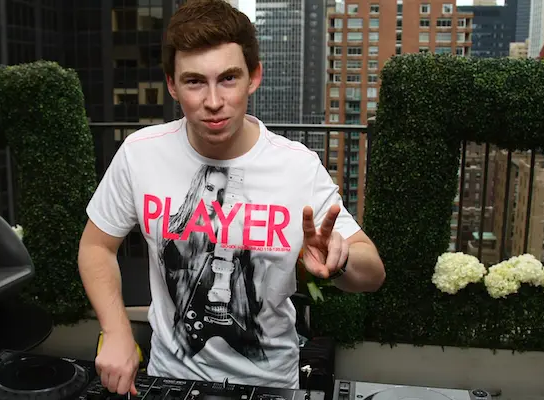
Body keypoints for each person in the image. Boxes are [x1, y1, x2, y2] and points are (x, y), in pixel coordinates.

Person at [77, 0, 385, 395]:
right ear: (172, 85)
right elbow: (96, 246)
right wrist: (116, 330)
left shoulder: (297, 166)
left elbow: (372, 274)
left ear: (253, 77)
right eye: (194, 81)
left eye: (228, 78)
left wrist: (340, 262)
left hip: (270, 385)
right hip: (169, 377)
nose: (213, 101)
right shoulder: (140, 153)